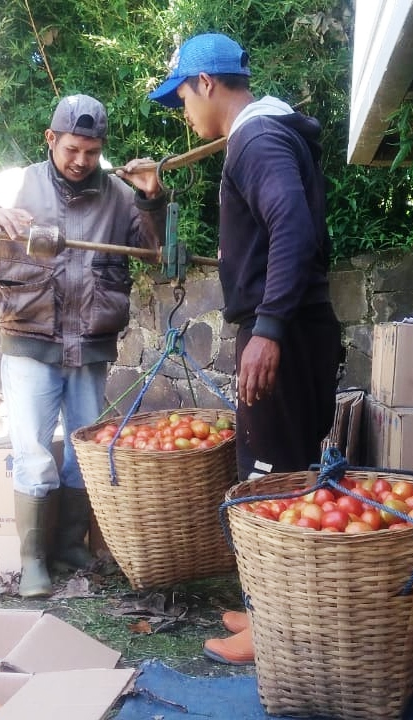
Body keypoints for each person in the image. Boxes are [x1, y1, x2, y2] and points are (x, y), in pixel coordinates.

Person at [148, 33, 344, 664]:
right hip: (297, 328)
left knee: (267, 482)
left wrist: (267, 329)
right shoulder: (271, 135)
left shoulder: (256, 139)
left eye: (181, 96)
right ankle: (272, 609)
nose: (184, 114)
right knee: (284, 475)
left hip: (284, 334)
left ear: (206, 83)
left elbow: (292, 222)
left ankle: (274, 632)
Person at [0, 95, 167, 598]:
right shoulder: (17, 182)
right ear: (51, 139)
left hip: (90, 346)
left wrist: (151, 198)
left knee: (83, 453)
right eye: (73, 149)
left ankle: (72, 545)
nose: (81, 161)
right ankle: (33, 560)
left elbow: (155, 252)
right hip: (30, 342)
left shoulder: (119, 192)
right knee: (31, 453)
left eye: (92, 152)